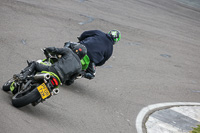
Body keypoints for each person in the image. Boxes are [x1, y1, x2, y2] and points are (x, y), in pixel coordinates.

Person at [12, 44, 87, 94]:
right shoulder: (79, 67)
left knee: (34, 64)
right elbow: (70, 81)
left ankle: (23, 76)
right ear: (82, 56)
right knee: (51, 91)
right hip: (60, 80)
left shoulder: (69, 51)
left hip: (52, 70)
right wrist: (66, 82)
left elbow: (55, 50)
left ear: (75, 48)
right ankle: (41, 97)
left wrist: (47, 49)